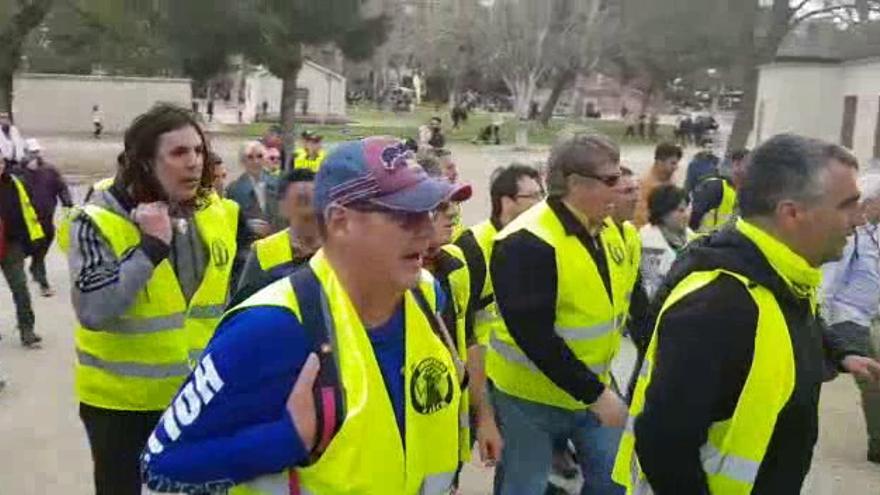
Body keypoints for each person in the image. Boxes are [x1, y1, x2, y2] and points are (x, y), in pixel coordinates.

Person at [141, 136, 467, 494]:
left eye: (430, 211)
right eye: (405, 215)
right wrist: (286, 439)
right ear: (340, 221)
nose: (426, 229)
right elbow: (162, 467)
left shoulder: (426, 294)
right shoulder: (270, 327)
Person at [613, 134, 880, 494]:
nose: (859, 221)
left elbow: (798, 320)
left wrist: (840, 353)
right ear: (792, 213)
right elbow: (662, 443)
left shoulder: (784, 275)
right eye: (847, 206)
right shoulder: (718, 306)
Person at [66, 104, 241, 495]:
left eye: (199, 151)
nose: (194, 163)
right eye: (179, 153)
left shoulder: (213, 210)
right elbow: (93, 311)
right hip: (122, 407)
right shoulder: (97, 220)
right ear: (144, 163)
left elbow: (227, 299)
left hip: (196, 396)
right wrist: (148, 250)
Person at [489, 132, 631, 495]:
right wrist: (597, 395)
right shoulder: (526, 241)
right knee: (526, 487)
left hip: (590, 388)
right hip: (530, 399)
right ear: (573, 183)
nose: (621, 189)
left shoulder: (607, 229)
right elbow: (534, 336)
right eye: (610, 180)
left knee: (613, 482)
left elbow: (625, 302)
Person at [821, 172, 880, 465]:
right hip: (849, 318)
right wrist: (821, 325)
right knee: (872, 377)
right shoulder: (850, 237)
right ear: (871, 202)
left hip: (870, 316)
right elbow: (829, 284)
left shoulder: (873, 233)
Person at [233, 169, 320, 305]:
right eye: (301, 200)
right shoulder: (264, 251)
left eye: (312, 199)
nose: (307, 211)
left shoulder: (340, 248)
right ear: (282, 206)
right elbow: (244, 304)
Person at [0, 152, 45, 348]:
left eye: (0, 162)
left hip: (11, 245)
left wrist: (30, 241)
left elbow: (27, 210)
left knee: (20, 288)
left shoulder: (15, 183)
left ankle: (27, 330)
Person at [18, 138, 73, 297]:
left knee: (46, 242)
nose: (35, 156)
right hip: (29, 220)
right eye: (32, 153)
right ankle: (43, 282)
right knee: (36, 246)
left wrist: (68, 204)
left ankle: (35, 266)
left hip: (47, 216)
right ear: (26, 154)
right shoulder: (19, 173)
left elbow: (61, 187)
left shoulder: (50, 170)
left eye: (37, 152)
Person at [639, 185, 693, 300]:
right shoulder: (647, 242)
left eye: (686, 209)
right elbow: (650, 289)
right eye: (680, 210)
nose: (686, 215)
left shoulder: (690, 235)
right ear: (663, 213)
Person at [690, 148, 749, 233]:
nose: (743, 170)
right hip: (702, 242)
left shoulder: (748, 195)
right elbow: (693, 216)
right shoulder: (715, 187)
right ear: (734, 165)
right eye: (739, 164)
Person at [226, 140, 277, 239]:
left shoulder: (279, 183)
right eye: (250, 157)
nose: (256, 161)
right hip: (248, 245)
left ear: (266, 159)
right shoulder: (233, 190)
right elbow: (230, 224)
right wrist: (246, 226)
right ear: (242, 161)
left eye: (259, 156)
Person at [633, 143, 683, 227]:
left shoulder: (671, 178)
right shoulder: (644, 185)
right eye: (673, 163)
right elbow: (640, 217)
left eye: (677, 163)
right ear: (660, 162)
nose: (676, 167)